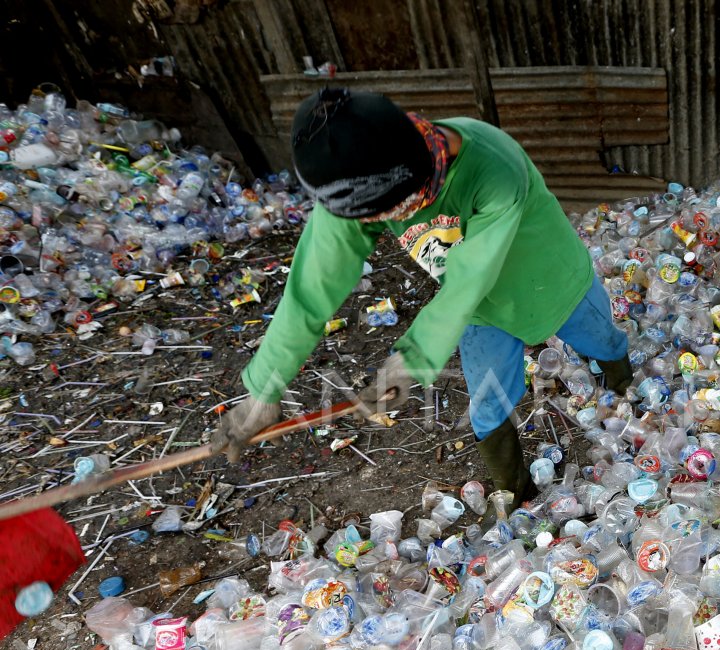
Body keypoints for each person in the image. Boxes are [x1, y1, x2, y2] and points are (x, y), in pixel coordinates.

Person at [210, 88, 633, 503]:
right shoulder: (354, 188)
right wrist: (262, 391)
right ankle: (513, 492)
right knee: (487, 406)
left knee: (602, 341)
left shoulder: (494, 168)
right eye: (367, 218)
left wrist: (412, 360)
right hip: (480, 313)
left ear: (415, 178)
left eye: (384, 215)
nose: (374, 224)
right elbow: (310, 290)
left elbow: (471, 275)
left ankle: (623, 390)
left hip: (553, 280)